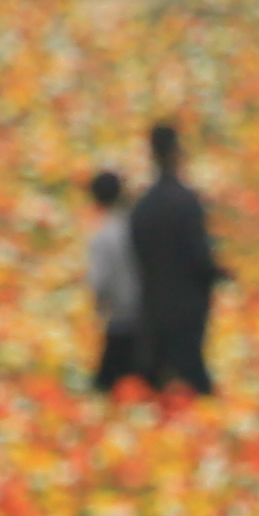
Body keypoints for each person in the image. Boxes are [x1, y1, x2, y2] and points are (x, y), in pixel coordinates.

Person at [129, 123, 223, 396]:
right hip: (187, 304)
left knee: (157, 378)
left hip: (153, 303)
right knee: (193, 374)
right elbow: (199, 257)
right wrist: (217, 273)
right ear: (176, 152)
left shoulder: (143, 206)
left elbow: (137, 254)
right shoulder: (186, 202)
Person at [79, 166, 141, 382]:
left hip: (120, 318)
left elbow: (100, 281)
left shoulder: (103, 236)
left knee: (109, 383)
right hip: (147, 313)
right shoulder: (136, 225)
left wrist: (100, 307)